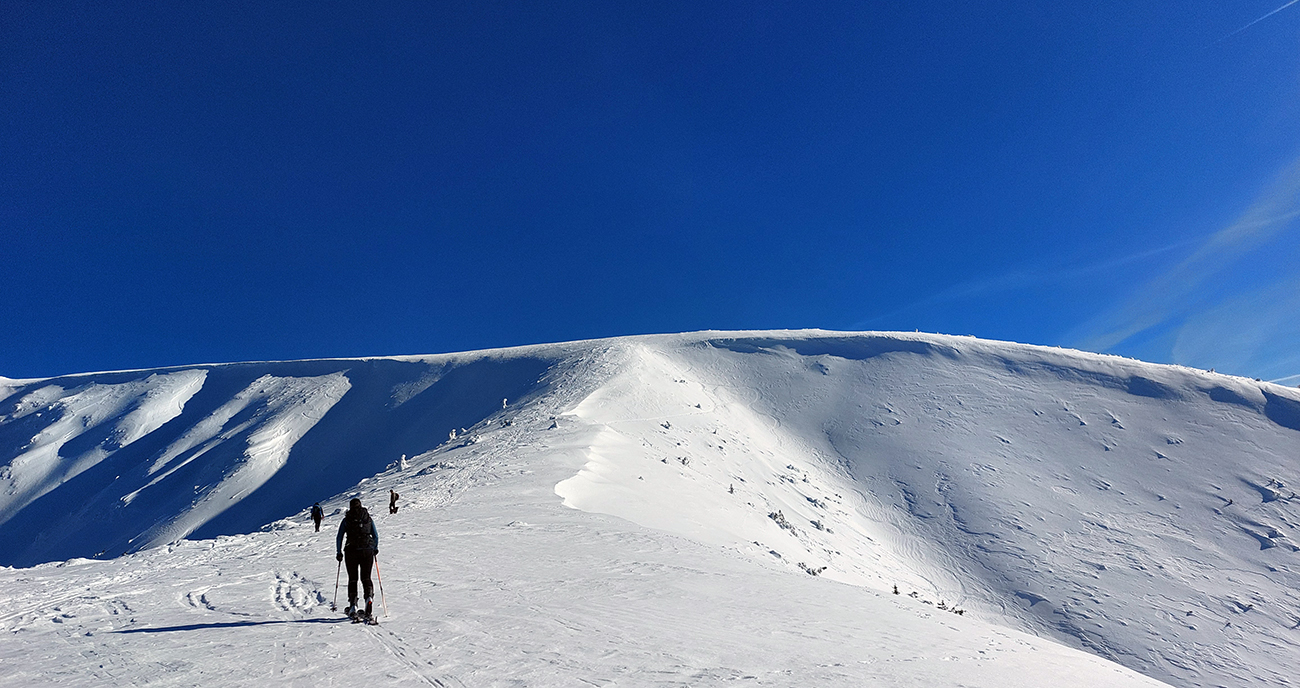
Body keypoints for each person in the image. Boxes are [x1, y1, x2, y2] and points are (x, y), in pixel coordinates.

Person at [336, 497, 379, 620]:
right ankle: (368, 598)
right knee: (366, 577)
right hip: (367, 550)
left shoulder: (347, 519)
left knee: (353, 578)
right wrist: (375, 548)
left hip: (351, 551)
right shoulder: (368, 518)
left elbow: (339, 537)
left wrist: (339, 552)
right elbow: (375, 535)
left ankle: (353, 606)